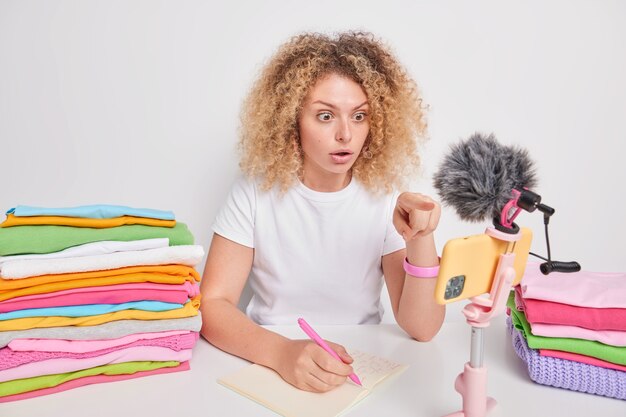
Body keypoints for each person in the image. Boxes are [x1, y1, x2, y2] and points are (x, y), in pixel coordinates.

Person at [200, 31, 445, 393]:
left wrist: (420, 237)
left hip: (360, 364)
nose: (345, 134)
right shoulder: (255, 190)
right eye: (325, 116)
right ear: (291, 120)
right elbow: (212, 304)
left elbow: (422, 328)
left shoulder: (385, 197)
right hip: (267, 360)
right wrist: (281, 353)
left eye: (359, 116)